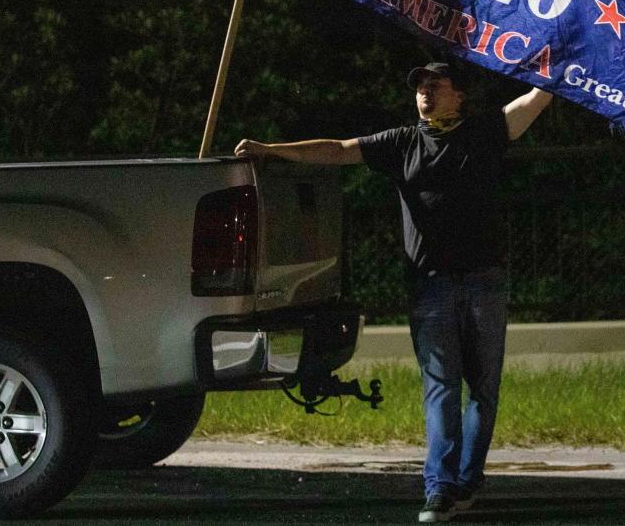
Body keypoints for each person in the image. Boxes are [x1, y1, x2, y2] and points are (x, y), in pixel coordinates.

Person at [234, 61, 553, 523]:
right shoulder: (404, 141)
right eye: (420, 86)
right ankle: (440, 488)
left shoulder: (484, 132)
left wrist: (560, 69)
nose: (424, 92)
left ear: (458, 96)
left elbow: (530, 103)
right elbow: (339, 150)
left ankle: (468, 480)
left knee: (483, 388)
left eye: (435, 85)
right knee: (440, 385)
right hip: (431, 284)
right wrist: (273, 150)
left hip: (484, 279)